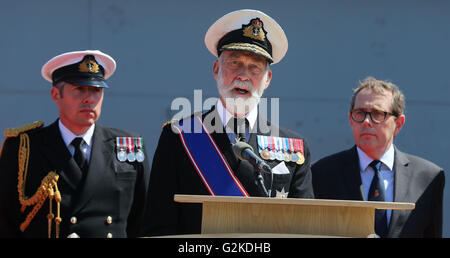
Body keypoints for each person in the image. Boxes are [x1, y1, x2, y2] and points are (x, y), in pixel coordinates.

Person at [146, 9, 314, 236]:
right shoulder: (180, 136)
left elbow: (304, 228)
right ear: (216, 70)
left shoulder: (294, 145)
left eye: (255, 67)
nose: (243, 75)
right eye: (234, 63)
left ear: (268, 79)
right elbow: (159, 225)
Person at [0, 50, 151, 238]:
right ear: (56, 95)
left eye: (96, 90)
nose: (89, 99)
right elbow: (5, 220)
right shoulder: (25, 147)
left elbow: (143, 221)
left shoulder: (128, 146)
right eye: (79, 89)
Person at [311, 77, 445, 238]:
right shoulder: (322, 173)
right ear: (350, 119)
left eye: (377, 114)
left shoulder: (428, 177)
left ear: (399, 124)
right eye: (359, 113)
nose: (367, 121)